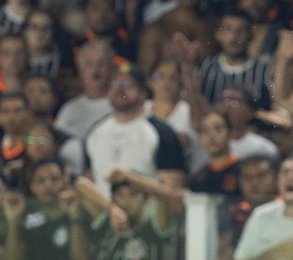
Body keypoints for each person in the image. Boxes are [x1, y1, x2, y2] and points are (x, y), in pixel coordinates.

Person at [84, 63, 187, 198]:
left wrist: (130, 179)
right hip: (106, 215)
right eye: (114, 85)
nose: (120, 90)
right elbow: (90, 183)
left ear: (143, 92)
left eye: (127, 85)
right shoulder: (95, 132)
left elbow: (174, 192)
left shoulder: (161, 133)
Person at [195, 10, 273, 108]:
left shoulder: (264, 70)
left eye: (241, 30)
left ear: (250, 35)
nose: (234, 37)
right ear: (219, 34)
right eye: (228, 29)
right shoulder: (206, 67)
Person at [54, 40, 113, 141]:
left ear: (111, 69)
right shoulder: (69, 110)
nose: (95, 69)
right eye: (89, 64)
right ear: (80, 71)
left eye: (101, 63)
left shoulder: (124, 104)